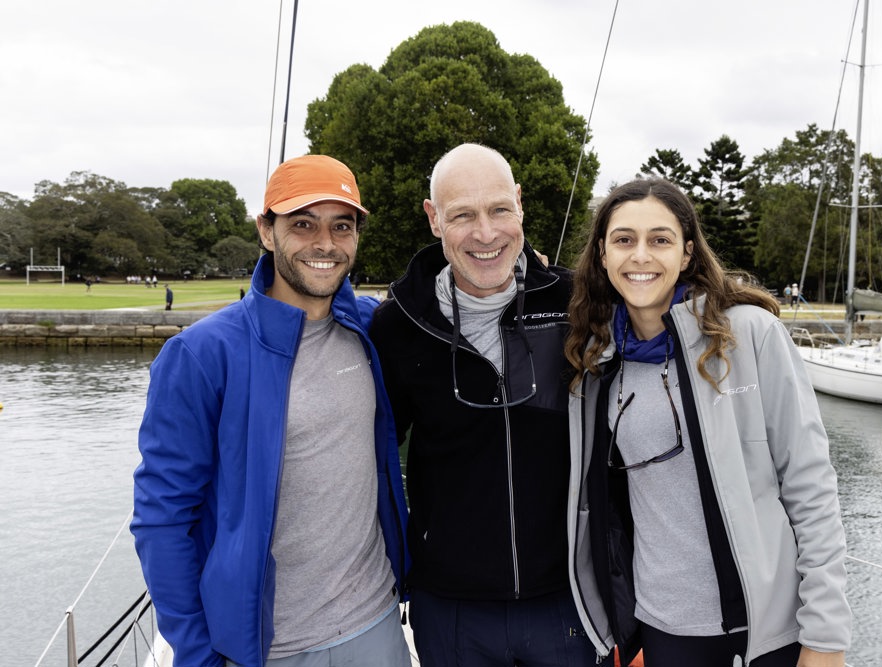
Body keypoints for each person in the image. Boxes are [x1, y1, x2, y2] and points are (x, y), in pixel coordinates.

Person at [131, 154, 410, 667]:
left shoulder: (371, 328)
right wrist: (197, 654)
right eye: (302, 224)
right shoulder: (201, 355)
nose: (325, 243)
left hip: (377, 627)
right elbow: (162, 520)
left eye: (341, 226)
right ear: (266, 230)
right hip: (268, 650)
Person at [564, 178, 850, 667]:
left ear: (688, 253)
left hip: (766, 631)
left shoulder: (750, 334)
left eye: (660, 239)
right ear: (603, 255)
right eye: (624, 240)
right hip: (663, 630)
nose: (641, 256)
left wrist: (825, 636)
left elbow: (811, 486)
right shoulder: (597, 362)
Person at [369, 143, 607, 666]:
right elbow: (365, 456)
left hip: (566, 600)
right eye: (462, 215)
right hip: (449, 606)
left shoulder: (579, 304)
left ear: (520, 205)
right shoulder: (396, 326)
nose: (485, 233)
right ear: (433, 219)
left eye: (499, 209)